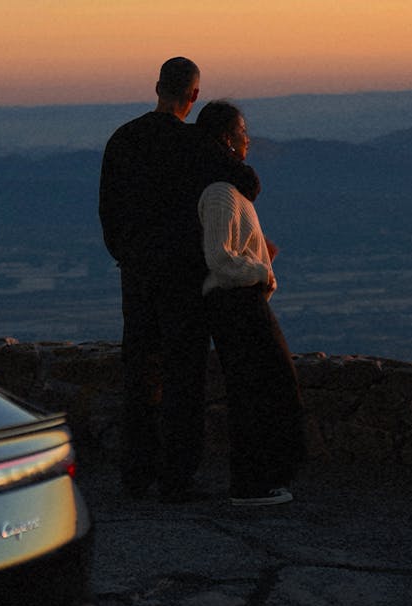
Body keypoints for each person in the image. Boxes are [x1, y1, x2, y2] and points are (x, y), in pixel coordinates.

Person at [98, 57, 261, 502]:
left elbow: (108, 215)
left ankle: (135, 473)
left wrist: (128, 258)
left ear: (156, 87)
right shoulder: (195, 144)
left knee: (140, 372)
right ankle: (176, 477)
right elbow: (247, 182)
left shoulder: (123, 140)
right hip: (185, 278)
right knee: (183, 375)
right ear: (193, 96)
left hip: (137, 275)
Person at [194, 100, 306, 505]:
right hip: (235, 304)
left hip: (242, 301)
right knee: (259, 389)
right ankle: (251, 484)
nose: (248, 139)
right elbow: (219, 257)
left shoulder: (230, 188)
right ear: (226, 138)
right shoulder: (221, 192)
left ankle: (260, 478)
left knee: (260, 387)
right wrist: (260, 273)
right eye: (242, 131)